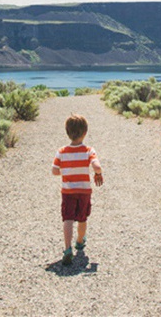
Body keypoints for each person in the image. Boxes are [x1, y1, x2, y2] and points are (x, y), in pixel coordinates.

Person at [51, 113, 103, 266]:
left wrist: (65, 171)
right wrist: (98, 173)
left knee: (67, 218)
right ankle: (79, 242)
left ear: (67, 132)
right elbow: (97, 166)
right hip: (84, 191)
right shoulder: (88, 150)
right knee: (82, 218)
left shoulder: (61, 151)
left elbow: (54, 171)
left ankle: (67, 249)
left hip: (68, 192)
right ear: (85, 132)